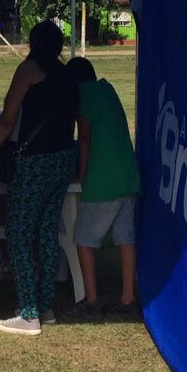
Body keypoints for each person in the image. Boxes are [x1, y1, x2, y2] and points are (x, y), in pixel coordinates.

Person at [0, 20, 77, 336]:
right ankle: (45, 306)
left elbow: (8, 118)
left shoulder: (28, 71)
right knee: (47, 231)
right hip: (64, 156)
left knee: (17, 233)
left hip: (35, 160)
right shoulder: (67, 75)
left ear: (32, 43)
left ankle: (28, 313)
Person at [65, 56, 140, 320]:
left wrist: (80, 174)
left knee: (83, 239)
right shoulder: (107, 89)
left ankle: (92, 298)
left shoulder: (84, 95)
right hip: (128, 176)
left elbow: (83, 137)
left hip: (103, 180)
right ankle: (128, 296)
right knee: (125, 237)